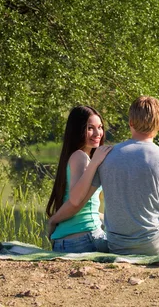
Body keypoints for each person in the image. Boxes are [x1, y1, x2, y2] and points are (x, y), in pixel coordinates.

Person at [69, 96, 159, 255]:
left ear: (130, 122)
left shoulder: (106, 157)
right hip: (154, 245)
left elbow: (81, 198)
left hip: (118, 246)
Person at [45, 106, 112, 253]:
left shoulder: (78, 157)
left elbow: (85, 209)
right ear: (77, 130)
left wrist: (113, 218)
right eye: (90, 128)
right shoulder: (80, 157)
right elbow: (75, 201)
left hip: (71, 242)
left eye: (100, 127)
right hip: (85, 240)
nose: (97, 133)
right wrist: (53, 220)